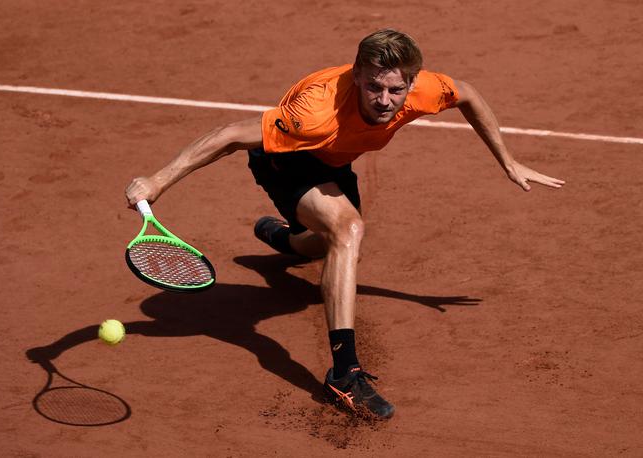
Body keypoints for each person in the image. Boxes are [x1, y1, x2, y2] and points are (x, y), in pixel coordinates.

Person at [125, 29, 564, 419]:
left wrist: (507, 161)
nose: (384, 100)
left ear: (412, 83)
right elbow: (228, 135)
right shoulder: (313, 113)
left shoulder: (424, 90)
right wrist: (158, 180)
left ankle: (284, 238)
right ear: (356, 76)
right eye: (373, 87)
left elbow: (466, 92)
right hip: (287, 162)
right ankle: (344, 372)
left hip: (335, 161)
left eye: (395, 90)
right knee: (347, 231)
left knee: (327, 245)